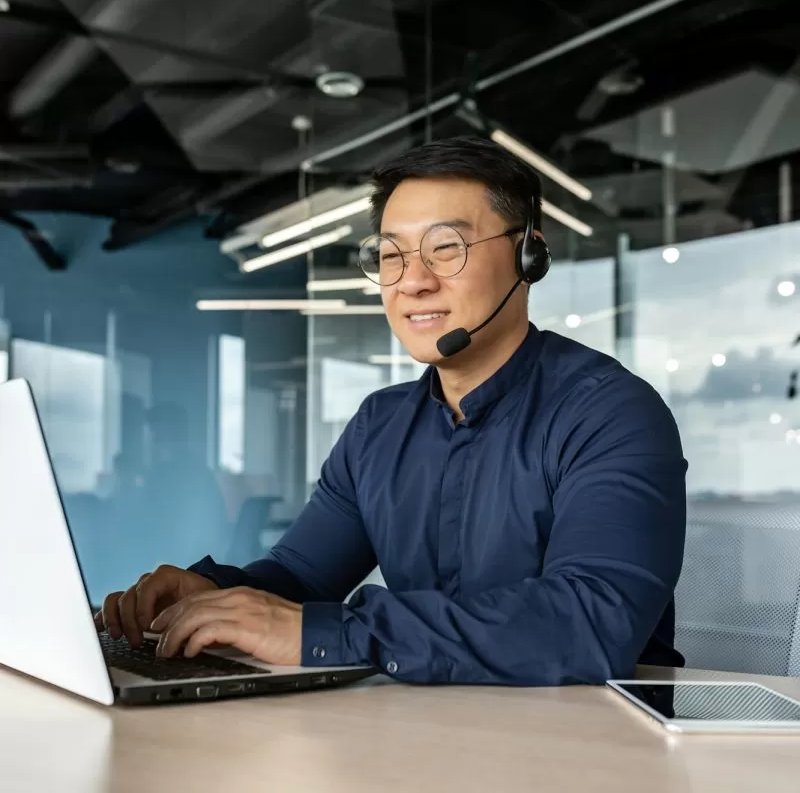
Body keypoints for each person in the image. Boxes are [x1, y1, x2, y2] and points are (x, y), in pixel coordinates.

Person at [97, 136, 688, 686]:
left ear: (528, 257)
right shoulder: (380, 426)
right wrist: (215, 595)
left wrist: (332, 633)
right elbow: (302, 578)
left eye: (446, 249)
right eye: (391, 255)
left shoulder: (610, 412)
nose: (412, 282)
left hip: (592, 740)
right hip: (421, 730)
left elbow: (588, 623)